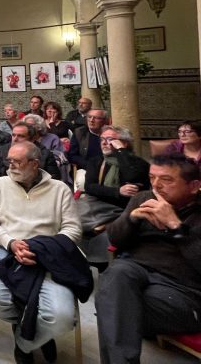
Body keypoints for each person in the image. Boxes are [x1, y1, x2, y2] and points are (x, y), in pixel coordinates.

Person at [0, 141, 83, 364]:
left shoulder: (59, 189)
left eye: (17, 161)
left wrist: (44, 248)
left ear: (35, 164)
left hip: (49, 255)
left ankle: (26, 340)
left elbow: (73, 229)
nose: (10, 165)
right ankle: (33, 327)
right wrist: (10, 242)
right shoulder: (1, 185)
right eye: (9, 160)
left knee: (63, 317)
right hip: (8, 250)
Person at [95, 154, 201, 364]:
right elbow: (115, 238)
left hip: (182, 291)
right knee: (117, 273)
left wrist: (176, 226)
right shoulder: (143, 198)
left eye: (166, 180)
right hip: (136, 272)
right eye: (152, 178)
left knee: (111, 303)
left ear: (194, 186)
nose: (156, 185)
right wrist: (131, 219)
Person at [78, 126, 149, 265]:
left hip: (124, 209)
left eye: (110, 139)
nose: (104, 143)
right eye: (102, 139)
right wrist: (118, 191)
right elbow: (90, 187)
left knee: (104, 234)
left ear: (124, 143)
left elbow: (132, 177)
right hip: (98, 205)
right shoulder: (96, 161)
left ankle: (100, 262)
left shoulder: (138, 163)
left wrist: (121, 151)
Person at [0, 122, 61, 187]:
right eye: (13, 135)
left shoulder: (45, 154)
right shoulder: (2, 151)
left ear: (32, 139)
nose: (15, 139)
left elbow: (53, 178)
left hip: (36, 190)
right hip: (8, 189)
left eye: (20, 136)